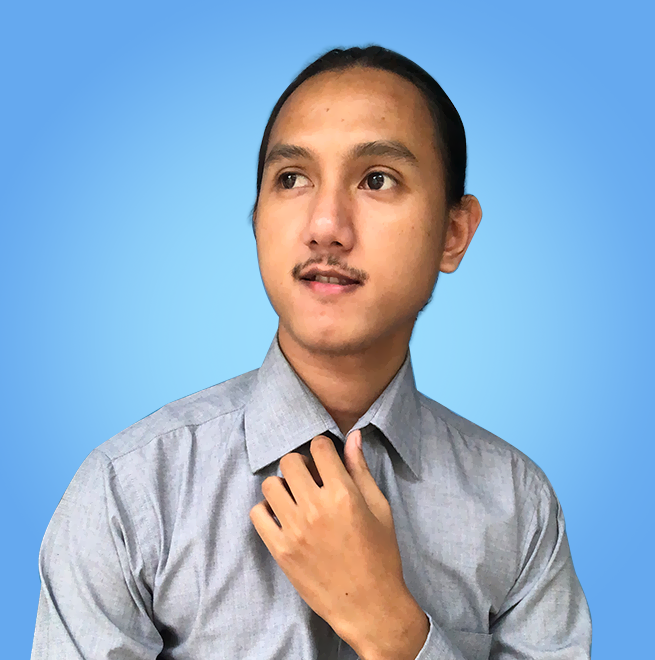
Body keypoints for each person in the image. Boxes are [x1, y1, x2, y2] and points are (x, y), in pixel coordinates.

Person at [31, 46, 592, 660]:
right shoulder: (127, 494)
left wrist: (390, 626)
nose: (325, 226)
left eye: (377, 179)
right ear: (257, 219)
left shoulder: (518, 506)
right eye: (292, 179)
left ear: (453, 234)